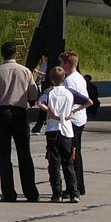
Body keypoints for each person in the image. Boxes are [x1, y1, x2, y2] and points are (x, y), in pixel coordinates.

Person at [0, 41, 40, 202]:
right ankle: (30, 192)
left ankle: (8, 192)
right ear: (16, 54)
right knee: (24, 153)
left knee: (3, 154)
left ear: (2, 54)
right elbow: (34, 95)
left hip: (0, 113)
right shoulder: (25, 71)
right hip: (19, 112)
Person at [37, 66, 81, 202]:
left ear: (50, 78)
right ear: (64, 78)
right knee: (68, 162)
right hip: (67, 130)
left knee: (54, 164)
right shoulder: (69, 91)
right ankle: (74, 192)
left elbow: (39, 102)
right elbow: (88, 101)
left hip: (53, 129)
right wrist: (73, 111)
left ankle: (57, 193)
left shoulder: (49, 92)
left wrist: (49, 111)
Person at [60, 51, 90, 195]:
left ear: (67, 64)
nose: (60, 66)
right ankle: (79, 184)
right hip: (80, 118)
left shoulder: (69, 81)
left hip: (73, 121)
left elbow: (68, 100)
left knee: (71, 154)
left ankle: (75, 186)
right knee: (76, 153)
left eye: (61, 63)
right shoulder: (79, 77)